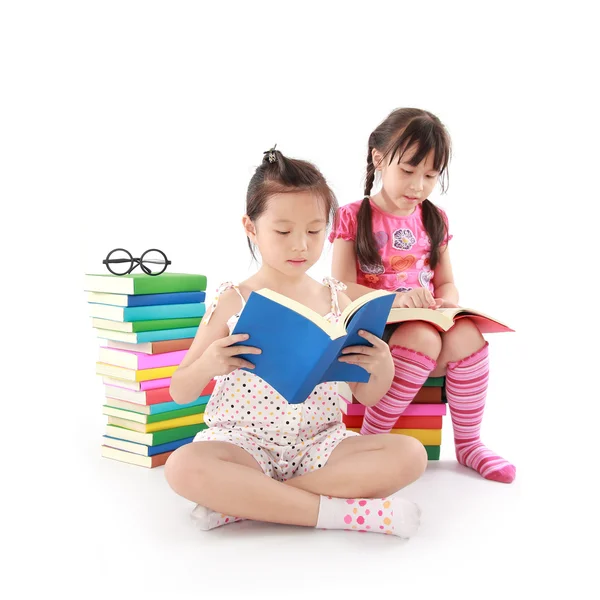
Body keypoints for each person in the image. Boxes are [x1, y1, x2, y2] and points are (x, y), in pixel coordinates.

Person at [164, 146, 426, 537]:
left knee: (410, 455)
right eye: (283, 232)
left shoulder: (340, 299)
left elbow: (367, 397)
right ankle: (343, 515)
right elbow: (179, 390)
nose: (301, 245)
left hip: (321, 444)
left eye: (315, 231)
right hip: (243, 444)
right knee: (182, 466)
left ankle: (249, 503)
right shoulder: (233, 299)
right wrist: (209, 364)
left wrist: (381, 365)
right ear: (251, 228)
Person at [330, 108, 515, 483]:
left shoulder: (435, 218)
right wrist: (395, 301)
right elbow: (340, 286)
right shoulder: (353, 215)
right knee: (422, 337)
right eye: (408, 171)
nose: (418, 186)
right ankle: (372, 440)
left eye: (430, 176)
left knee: (467, 335)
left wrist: (446, 302)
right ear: (379, 158)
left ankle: (468, 443)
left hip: (425, 324)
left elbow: (446, 282)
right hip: (375, 333)